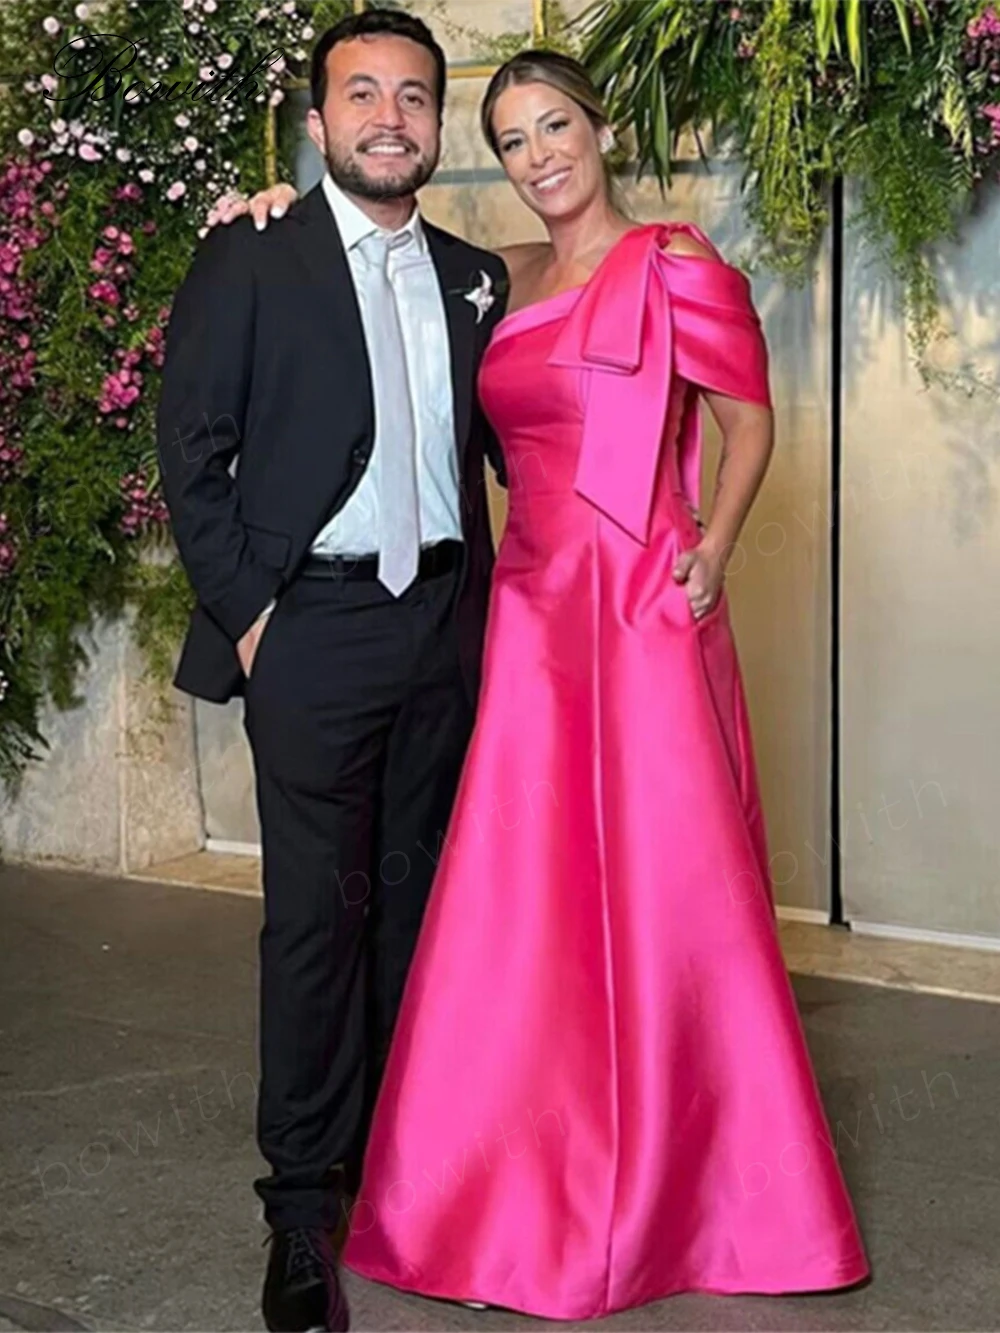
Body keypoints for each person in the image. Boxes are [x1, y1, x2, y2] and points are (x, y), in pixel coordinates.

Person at [215, 47, 870, 1325]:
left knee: (667, 888)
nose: (538, 157)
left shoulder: (679, 265)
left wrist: (713, 546)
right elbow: (374, 269)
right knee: (526, 898)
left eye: (555, 127)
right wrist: (276, 212)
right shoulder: (496, 276)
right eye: (512, 140)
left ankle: (699, 1182)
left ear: (601, 128)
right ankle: (517, 1168)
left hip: (638, 608)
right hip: (522, 610)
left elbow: (749, 420)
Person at [156, 11, 509, 1331]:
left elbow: (521, 438)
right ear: (318, 123)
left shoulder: (477, 276)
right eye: (361, 93)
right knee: (316, 922)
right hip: (313, 629)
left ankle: (398, 1174)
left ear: (436, 124)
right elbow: (190, 448)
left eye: (412, 95)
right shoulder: (253, 255)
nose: (388, 116)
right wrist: (254, 616)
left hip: (445, 629)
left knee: (414, 911)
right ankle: (302, 1211)